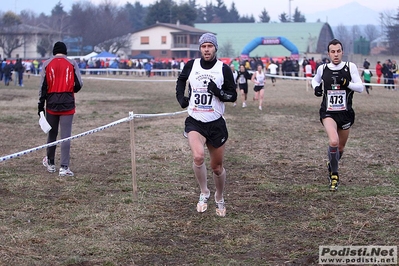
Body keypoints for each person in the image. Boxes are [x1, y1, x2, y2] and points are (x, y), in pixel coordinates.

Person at [175, 33, 237, 217]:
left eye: (210, 46)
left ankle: (219, 195)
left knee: (217, 168)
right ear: (200, 49)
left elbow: (232, 95)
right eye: (203, 46)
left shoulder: (223, 69)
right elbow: (180, 80)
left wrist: (217, 92)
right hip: (195, 120)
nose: (207, 49)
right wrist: (181, 98)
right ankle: (204, 192)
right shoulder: (191, 65)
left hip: (216, 123)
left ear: (215, 48)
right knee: (198, 157)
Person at [312, 38, 364, 191]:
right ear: (328, 53)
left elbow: (360, 87)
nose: (336, 54)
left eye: (338, 51)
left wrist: (347, 83)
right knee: (333, 141)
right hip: (328, 112)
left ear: (342, 52)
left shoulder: (350, 67)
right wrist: (316, 88)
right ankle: (334, 175)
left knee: (340, 148)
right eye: (332, 52)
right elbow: (315, 81)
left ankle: (332, 162)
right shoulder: (323, 68)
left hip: (345, 114)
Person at [38, 41, 83, 177]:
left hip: (51, 103)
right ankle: (64, 167)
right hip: (68, 103)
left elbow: (43, 87)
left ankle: (51, 163)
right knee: (65, 136)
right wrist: (70, 90)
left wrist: (40, 106)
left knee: (52, 134)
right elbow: (79, 83)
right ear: (65, 51)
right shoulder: (72, 63)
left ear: (54, 51)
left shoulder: (46, 64)